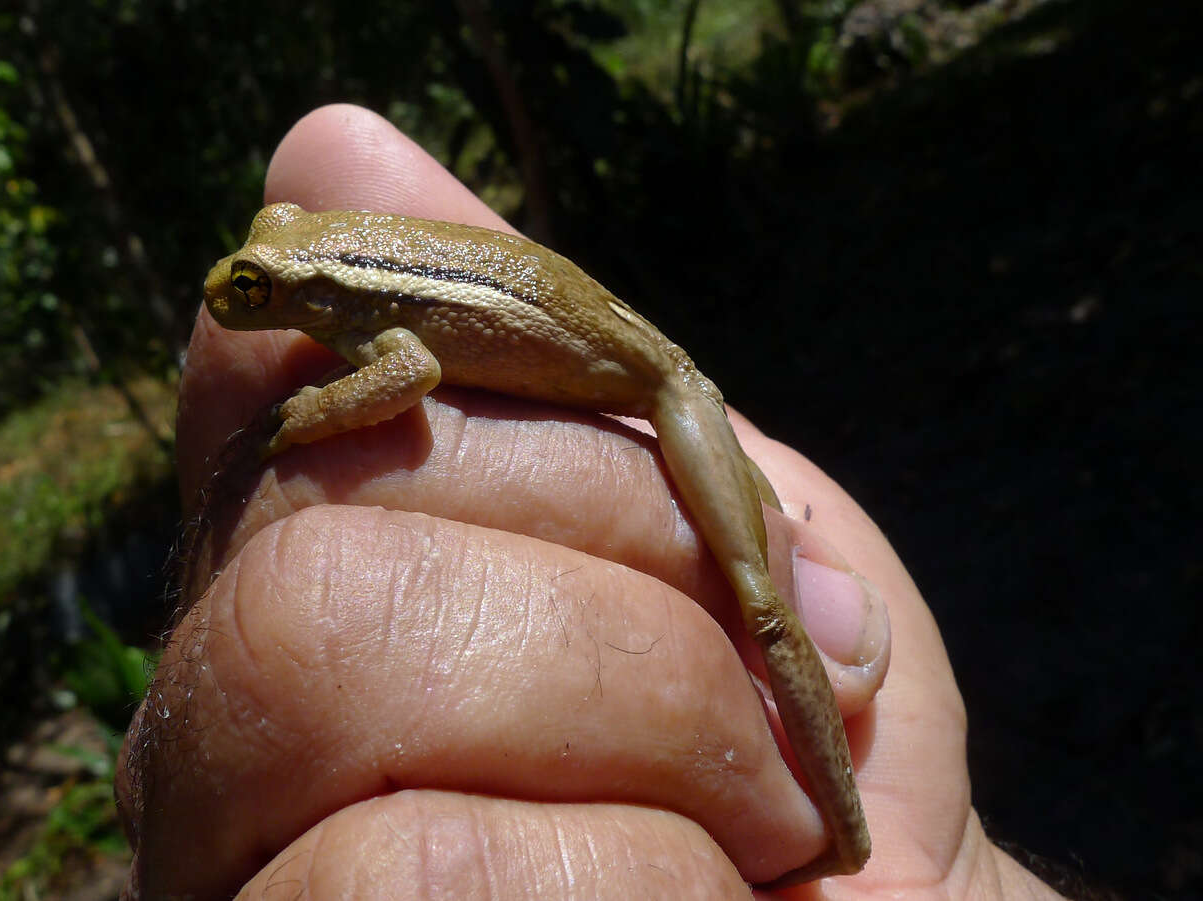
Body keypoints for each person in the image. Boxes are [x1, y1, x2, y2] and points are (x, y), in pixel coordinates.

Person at [116, 103, 1062, 899]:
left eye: (257, 283)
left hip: (664, 386)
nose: (233, 299)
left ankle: (849, 839)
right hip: (568, 336)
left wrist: (305, 416)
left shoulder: (366, 323)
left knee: (768, 606)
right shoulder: (346, 301)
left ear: (309, 287)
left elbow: (412, 371)